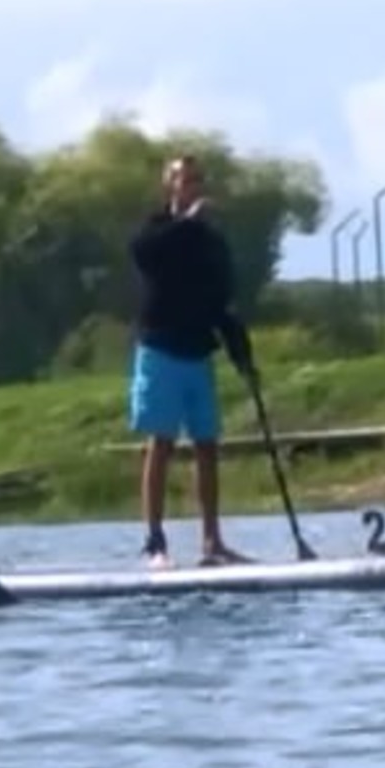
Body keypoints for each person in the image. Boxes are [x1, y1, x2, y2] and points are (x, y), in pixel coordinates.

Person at [128, 153, 257, 570]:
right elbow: (146, 256)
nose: (193, 187)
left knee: (206, 445)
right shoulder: (159, 229)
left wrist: (242, 354)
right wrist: (187, 223)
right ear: (171, 186)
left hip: (197, 352)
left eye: (198, 181)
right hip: (160, 349)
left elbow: (222, 304)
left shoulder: (210, 242)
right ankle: (155, 541)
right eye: (185, 181)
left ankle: (212, 542)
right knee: (160, 443)